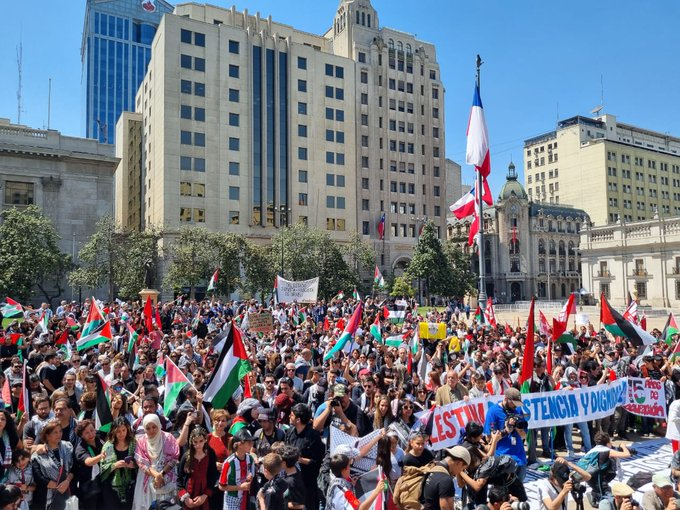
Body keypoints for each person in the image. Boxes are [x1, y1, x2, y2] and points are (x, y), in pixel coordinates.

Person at [132, 413, 180, 510]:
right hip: (148, 476)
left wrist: (161, 474)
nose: (151, 430)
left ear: (159, 425)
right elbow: (142, 462)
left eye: (154, 427)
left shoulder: (168, 437)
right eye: (148, 428)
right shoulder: (141, 441)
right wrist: (156, 475)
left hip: (166, 476)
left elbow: (174, 458)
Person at [285, 403, 325, 510]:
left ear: (298, 420)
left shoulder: (313, 436)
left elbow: (317, 461)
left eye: (292, 415)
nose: (289, 417)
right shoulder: (289, 432)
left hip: (308, 482)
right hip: (292, 480)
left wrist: (299, 460)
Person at [483, 388, 528, 481]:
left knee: (518, 491)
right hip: (502, 458)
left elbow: (524, 435)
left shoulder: (518, 410)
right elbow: (489, 438)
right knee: (503, 491)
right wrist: (506, 430)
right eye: (514, 404)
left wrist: (515, 426)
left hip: (519, 458)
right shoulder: (493, 411)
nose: (515, 407)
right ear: (506, 399)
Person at [31, 419, 75, 510]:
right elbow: (37, 476)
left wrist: (67, 481)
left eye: (60, 431)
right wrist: (55, 484)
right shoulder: (38, 455)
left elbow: (75, 468)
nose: (59, 434)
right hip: (46, 495)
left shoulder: (68, 447)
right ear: (47, 435)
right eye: (55, 432)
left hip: (68, 490)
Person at [177, 427, 219, 510]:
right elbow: (179, 479)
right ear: (191, 442)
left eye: (201, 441)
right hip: (188, 496)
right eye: (195, 442)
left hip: (205, 496)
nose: (198, 445)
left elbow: (213, 476)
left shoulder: (210, 455)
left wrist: (204, 496)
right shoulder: (186, 457)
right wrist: (185, 498)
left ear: (205, 440)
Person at [100, 416, 137, 510]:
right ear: (114, 431)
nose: (121, 434)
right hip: (111, 488)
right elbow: (103, 467)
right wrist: (114, 465)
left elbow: (141, 462)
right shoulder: (108, 446)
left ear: (128, 429)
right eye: (118, 431)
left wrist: (134, 465)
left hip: (131, 485)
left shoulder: (134, 443)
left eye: (123, 430)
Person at [422, 445, 471, 510]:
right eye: (463, 469)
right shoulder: (446, 480)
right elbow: (446, 508)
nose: (461, 472)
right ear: (460, 464)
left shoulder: (432, 466)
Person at [218, 429, 257, 510]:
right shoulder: (228, 463)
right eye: (248, 442)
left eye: (252, 442)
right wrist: (240, 487)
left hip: (245, 497)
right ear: (240, 444)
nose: (251, 444)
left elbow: (251, 475)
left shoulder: (250, 459)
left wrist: (250, 478)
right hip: (231, 499)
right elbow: (221, 486)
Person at [74, 419, 104, 510]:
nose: (91, 434)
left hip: (103, 483)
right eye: (86, 433)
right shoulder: (80, 448)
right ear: (81, 435)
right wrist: (102, 456)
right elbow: (89, 462)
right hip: (89, 487)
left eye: (92, 430)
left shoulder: (99, 438)